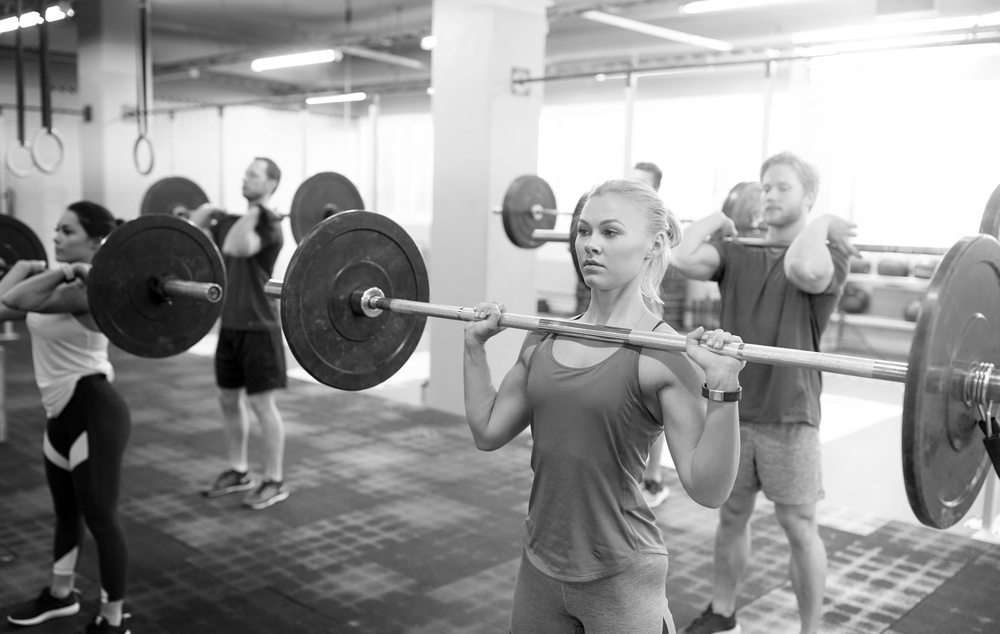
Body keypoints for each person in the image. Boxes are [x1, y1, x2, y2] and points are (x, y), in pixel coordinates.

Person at [465, 178, 746, 634]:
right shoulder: (544, 338)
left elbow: (708, 490)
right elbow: (487, 430)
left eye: (610, 233)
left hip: (621, 575)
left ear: (653, 245)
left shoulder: (664, 354)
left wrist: (723, 384)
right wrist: (474, 348)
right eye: (583, 231)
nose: (590, 245)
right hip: (539, 564)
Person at [673, 152, 858, 634]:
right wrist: (723, 217)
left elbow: (803, 270)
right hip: (734, 406)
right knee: (731, 515)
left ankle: (810, 629)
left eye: (782, 187)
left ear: (808, 197)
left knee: (799, 527)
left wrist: (820, 225)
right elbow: (682, 254)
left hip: (790, 412)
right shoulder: (738, 252)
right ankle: (723, 611)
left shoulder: (828, 254)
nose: (769, 195)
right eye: (765, 187)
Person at [0, 203, 133, 633]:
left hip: (93, 409)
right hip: (60, 412)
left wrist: (56, 269)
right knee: (66, 513)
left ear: (95, 243)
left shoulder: (87, 291)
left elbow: (14, 297)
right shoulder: (62, 286)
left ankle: (112, 621)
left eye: (67, 231)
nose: (56, 237)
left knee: (102, 520)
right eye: (55, 229)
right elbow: (3, 306)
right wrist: (26, 264)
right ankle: (61, 596)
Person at [190, 157, 290, 510]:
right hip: (230, 324)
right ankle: (239, 469)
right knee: (227, 398)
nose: (245, 178)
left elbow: (235, 247)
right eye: (245, 173)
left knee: (262, 404)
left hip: (261, 327)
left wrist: (259, 212)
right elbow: (193, 239)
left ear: (271, 184)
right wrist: (205, 211)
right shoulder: (237, 220)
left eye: (254, 175)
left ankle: (274, 479)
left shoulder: (270, 227)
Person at [627, 161, 672, 509]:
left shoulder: (657, 228)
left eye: (641, 184)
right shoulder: (621, 223)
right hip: (618, 317)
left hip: (647, 314)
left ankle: (654, 477)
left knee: (651, 400)